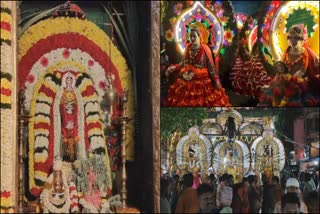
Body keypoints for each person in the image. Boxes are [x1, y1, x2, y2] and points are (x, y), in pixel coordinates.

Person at [164, 26, 230, 106]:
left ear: (199, 36)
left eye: (194, 36)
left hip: (201, 82)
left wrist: (216, 80)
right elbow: (183, 63)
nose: (192, 38)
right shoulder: (188, 48)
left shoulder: (205, 49)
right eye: (191, 36)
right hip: (187, 79)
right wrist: (174, 67)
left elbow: (211, 67)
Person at [259, 24, 319, 106]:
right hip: (285, 82)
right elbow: (281, 68)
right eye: (290, 37)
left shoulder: (307, 53)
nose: (292, 40)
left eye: (296, 38)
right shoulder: (287, 51)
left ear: (302, 39)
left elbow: (307, 69)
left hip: (300, 85)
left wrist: (295, 79)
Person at [60, 72, 79, 162]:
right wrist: (65, 121)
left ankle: (74, 156)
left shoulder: (75, 94)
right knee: (65, 138)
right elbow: (62, 106)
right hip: (66, 119)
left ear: (72, 82)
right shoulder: (63, 93)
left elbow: (76, 106)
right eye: (67, 80)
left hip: (73, 119)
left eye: (70, 80)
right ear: (65, 82)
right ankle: (65, 156)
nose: (68, 82)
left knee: (74, 137)